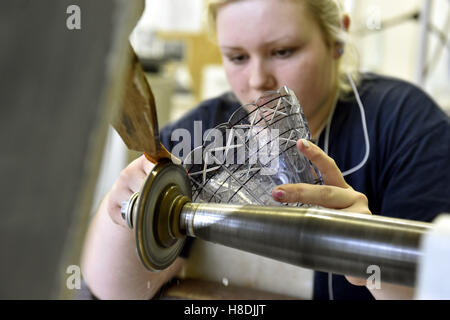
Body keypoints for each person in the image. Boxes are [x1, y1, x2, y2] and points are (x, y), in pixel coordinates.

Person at [80, 0, 450, 300]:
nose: (258, 80)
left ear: (337, 39)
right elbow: (112, 293)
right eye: (237, 58)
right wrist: (122, 214)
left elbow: (435, 283)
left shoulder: (406, 126)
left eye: (283, 51)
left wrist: (368, 253)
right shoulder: (203, 133)